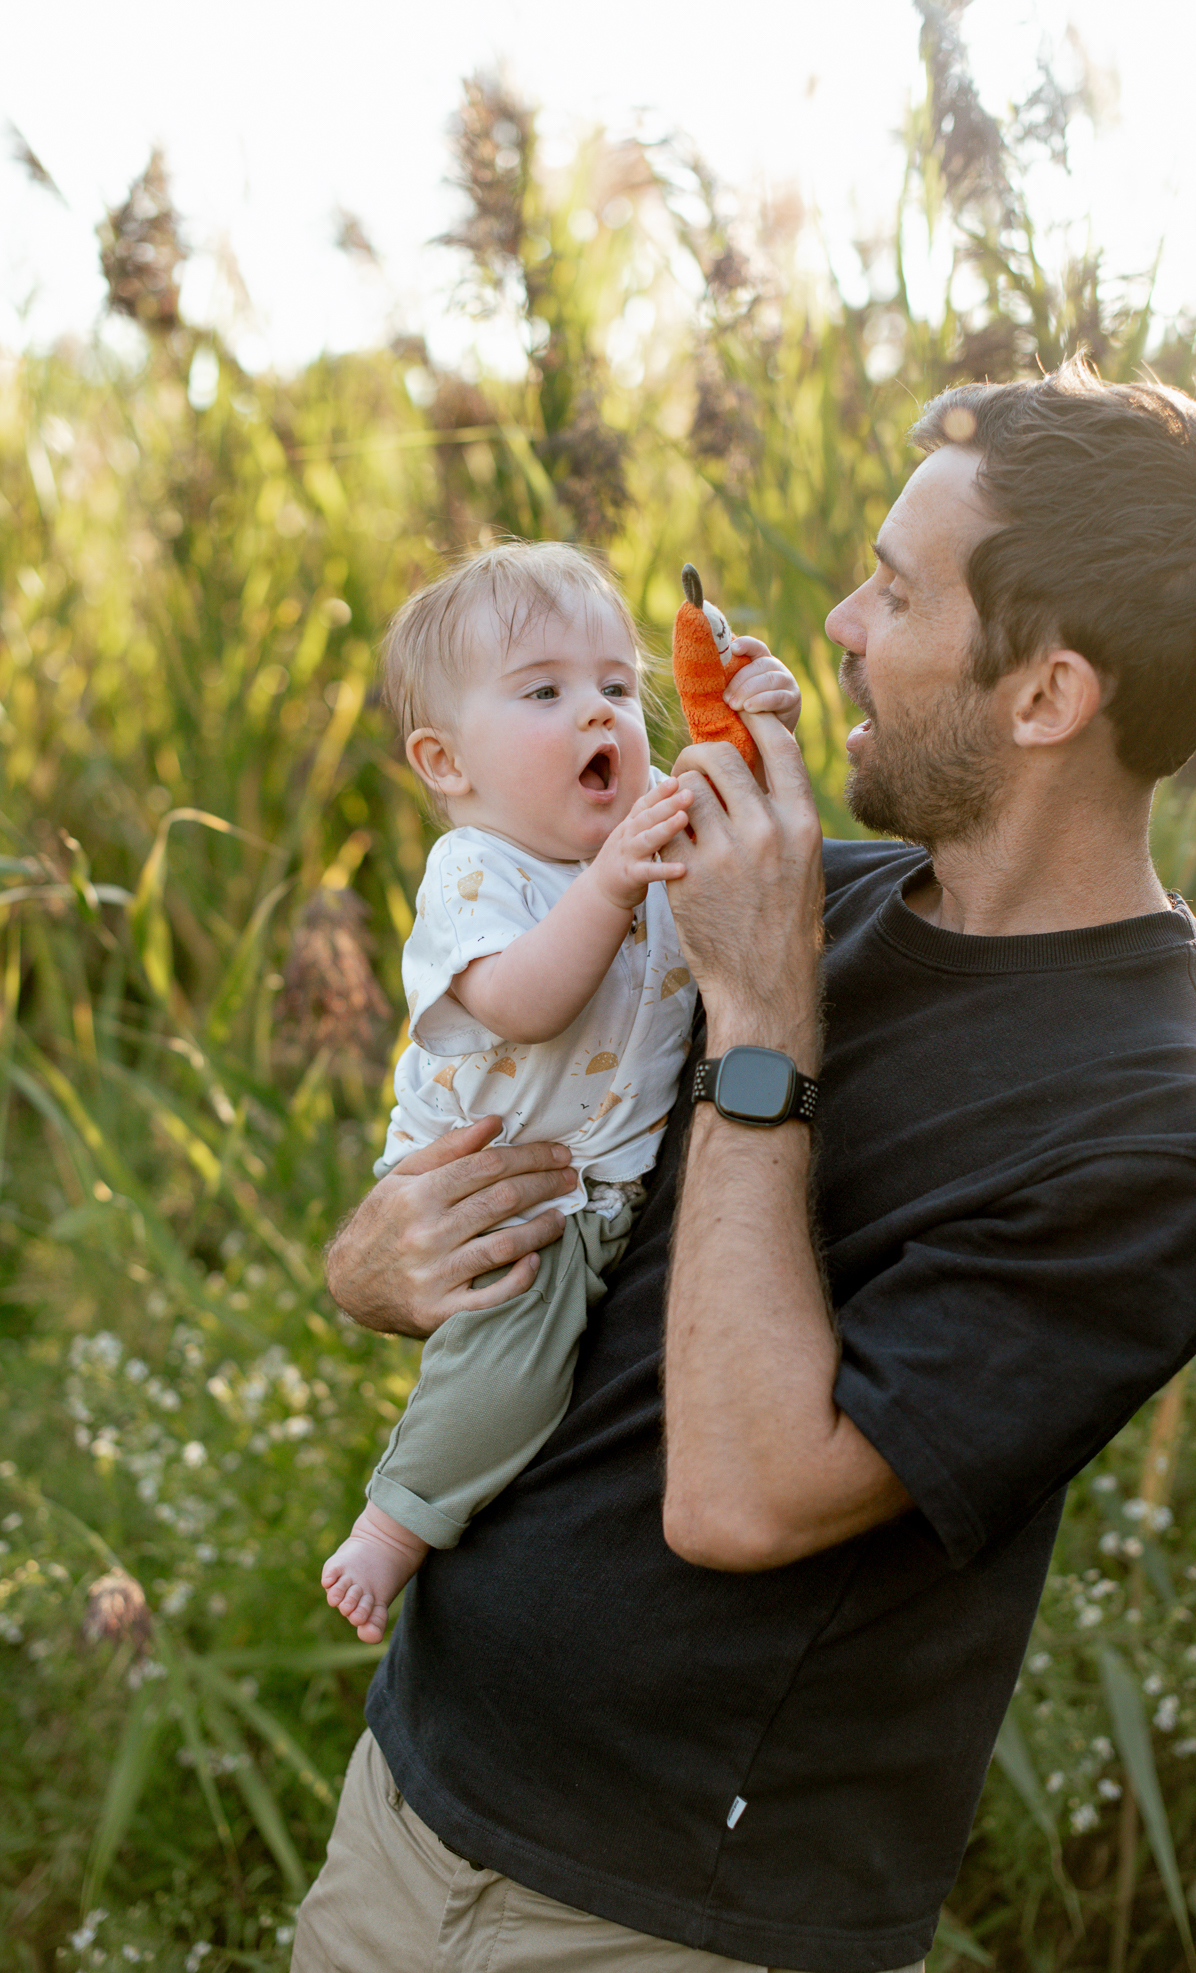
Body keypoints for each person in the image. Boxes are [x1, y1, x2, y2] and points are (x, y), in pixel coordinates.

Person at [293, 359, 1196, 1973]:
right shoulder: (804, 887)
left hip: (666, 1916)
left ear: (1046, 696)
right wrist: (376, 1257)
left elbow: (748, 1498)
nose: (840, 618)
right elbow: (498, 1098)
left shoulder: (1169, 1124)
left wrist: (765, 1014)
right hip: (414, 1792)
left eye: (897, 591)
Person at [319, 541, 802, 1645]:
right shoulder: (476, 873)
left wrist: (757, 727)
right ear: (447, 761)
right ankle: (394, 1524)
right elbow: (523, 1000)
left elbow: (764, 848)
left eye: (617, 687)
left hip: (601, 1187)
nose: (599, 714)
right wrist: (612, 881)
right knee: (510, 1372)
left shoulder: (644, 843)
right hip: (501, 1194)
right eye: (544, 691)